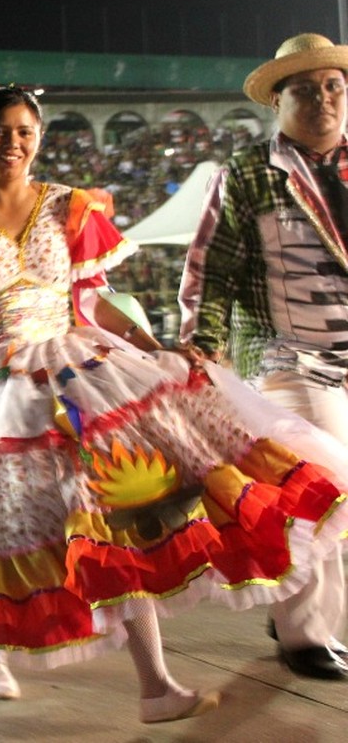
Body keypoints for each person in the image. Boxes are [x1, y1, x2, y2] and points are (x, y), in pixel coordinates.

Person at [0, 86, 348, 723]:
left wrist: (159, 349)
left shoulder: (71, 206)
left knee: (112, 520)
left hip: (75, 375)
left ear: (38, 137)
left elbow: (93, 300)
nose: (12, 143)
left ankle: (156, 685)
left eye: (24, 131)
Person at [179, 33, 348, 680]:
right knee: (328, 483)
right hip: (288, 354)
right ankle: (305, 634)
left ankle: (292, 612)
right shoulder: (247, 173)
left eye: (334, 86)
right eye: (305, 90)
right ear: (278, 102)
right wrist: (204, 341)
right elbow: (210, 270)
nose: (324, 100)